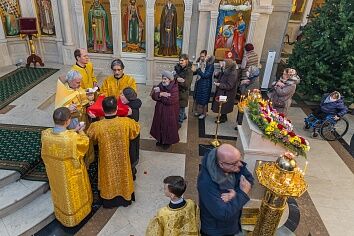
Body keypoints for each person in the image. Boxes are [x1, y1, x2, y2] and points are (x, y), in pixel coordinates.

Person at [41, 107, 92, 227]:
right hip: (71, 174)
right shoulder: (72, 138)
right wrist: (80, 131)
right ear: (68, 121)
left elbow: (62, 134)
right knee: (73, 194)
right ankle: (78, 215)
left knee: (60, 193)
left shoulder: (45, 134)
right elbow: (84, 143)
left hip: (55, 173)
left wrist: (74, 130)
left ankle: (62, 215)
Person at [87, 96, 140, 208]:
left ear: (102, 109)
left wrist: (93, 119)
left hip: (107, 159)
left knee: (108, 175)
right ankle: (125, 197)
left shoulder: (97, 126)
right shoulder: (126, 122)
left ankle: (109, 199)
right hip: (123, 158)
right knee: (123, 174)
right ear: (116, 108)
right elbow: (136, 130)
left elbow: (90, 136)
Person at [197, 144, 254, 236]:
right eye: (235, 163)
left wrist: (236, 194)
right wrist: (242, 193)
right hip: (217, 230)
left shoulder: (233, 161)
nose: (240, 165)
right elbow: (223, 214)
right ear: (221, 164)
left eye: (240, 159)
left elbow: (249, 179)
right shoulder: (206, 183)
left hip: (232, 222)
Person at [150, 70, 179, 149]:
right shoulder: (161, 85)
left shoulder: (174, 88)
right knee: (159, 125)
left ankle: (167, 142)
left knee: (168, 127)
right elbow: (153, 95)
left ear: (170, 80)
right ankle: (160, 140)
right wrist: (161, 94)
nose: (163, 80)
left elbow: (170, 100)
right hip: (160, 110)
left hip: (169, 112)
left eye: (165, 79)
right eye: (162, 78)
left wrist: (159, 95)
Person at [120, 87, 142, 180]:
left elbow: (134, 121)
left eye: (122, 95)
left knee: (131, 154)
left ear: (128, 98)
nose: (120, 96)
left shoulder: (131, 110)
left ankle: (132, 173)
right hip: (130, 135)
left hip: (131, 136)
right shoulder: (131, 104)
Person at [211, 59, 239, 123]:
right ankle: (222, 116)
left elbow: (229, 86)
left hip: (227, 93)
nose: (222, 64)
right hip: (223, 91)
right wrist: (217, 74)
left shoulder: (232, 73)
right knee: (221, 106)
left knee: (224, 106)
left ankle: (223, 118)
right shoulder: (226, 70)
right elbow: (222, 76)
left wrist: (220, 84)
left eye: (224, 63)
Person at [193, 50, 215, 119]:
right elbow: (198, 72)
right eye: (201, 56)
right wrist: (193, 72)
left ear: (206, 57)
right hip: (200, 83)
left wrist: (198, 70)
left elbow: (205, 75)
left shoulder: (210, 65)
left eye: (203, 56)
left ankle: (204, 113)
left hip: (206, 85)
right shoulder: (201, 63)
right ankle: (199, 112)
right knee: (199, 98)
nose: (201, 58)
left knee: (204, 100)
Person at [174, 54, 193, 128]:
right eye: (180, 60)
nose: (180, 62)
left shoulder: (189, 72)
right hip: (176, 91)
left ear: (186, 60)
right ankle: (184, 116)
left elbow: (187, 84)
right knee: (180, 107)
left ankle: (179, 122)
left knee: (181, 107)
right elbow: (174, 76)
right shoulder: (177, 68)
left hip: (183, 92)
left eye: (182, 60)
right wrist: (177, 78)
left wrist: (178, 79)